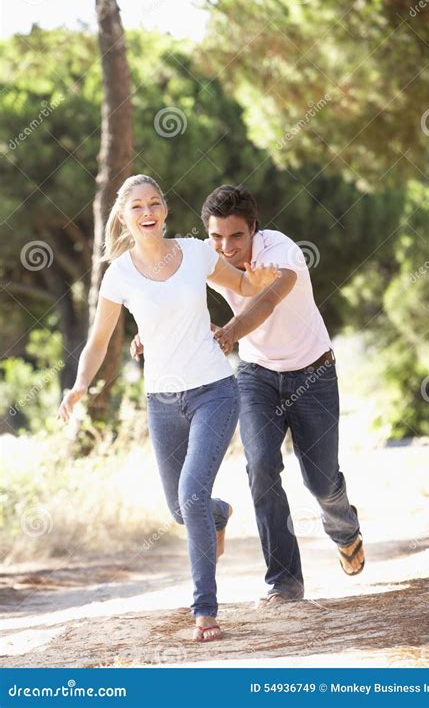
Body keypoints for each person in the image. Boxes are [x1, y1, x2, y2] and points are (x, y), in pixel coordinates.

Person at [58, 175, 280, 640]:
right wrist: (79, 385)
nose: (147, 211)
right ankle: (220, 515)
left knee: (191, 495)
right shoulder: (118, 274)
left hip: (214, 392)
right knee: (182, 509)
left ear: (165, 210)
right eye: (137, 205)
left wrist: (256, 283)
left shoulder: (196, 252)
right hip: (162, 402)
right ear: (124, 216)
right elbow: (99, 340)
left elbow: (239, 285)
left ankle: (205, 611)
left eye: (155, 202)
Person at [132, 184, 364, 606]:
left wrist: (230, 333)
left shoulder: (282, 251)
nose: (226, 247)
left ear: (254, 230)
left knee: (322, 481)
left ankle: (344, 528)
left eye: (236, 236)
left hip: (313, 373)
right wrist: (147, 332)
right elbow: (169, 297)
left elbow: (268, 300)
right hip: (257, 376)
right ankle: (285, 582)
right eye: (216, 236)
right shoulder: (202, 255)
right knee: (260, 468)